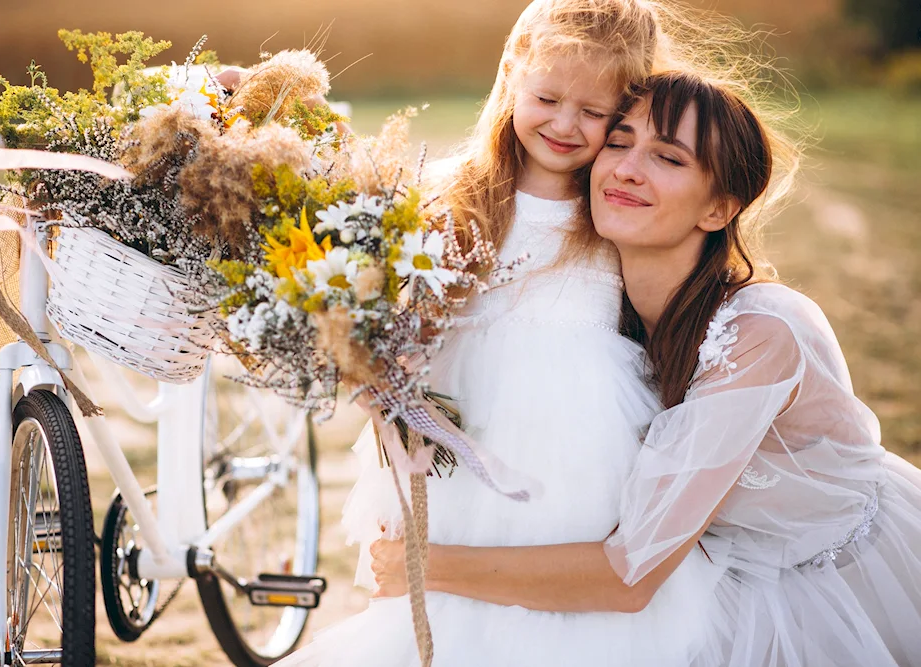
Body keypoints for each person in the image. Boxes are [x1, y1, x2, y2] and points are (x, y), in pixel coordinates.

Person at [371, 70, 921, 666]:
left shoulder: (763, 336)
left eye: (667, 157)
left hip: (835, 584)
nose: (627, 169)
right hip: (708, 566)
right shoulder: (593, 306)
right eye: (619, 141)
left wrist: (426, 562)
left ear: (718, 209)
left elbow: (626, 578)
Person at [275, 1, 726, 666]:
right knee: (444, 612)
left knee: (548, 623)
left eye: (594, 112)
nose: (566, 124)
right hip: (463, 436)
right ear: (512, 73)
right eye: (547, 97)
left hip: (576, 451)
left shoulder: (611, 207)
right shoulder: (450, 191)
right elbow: (401, 299)